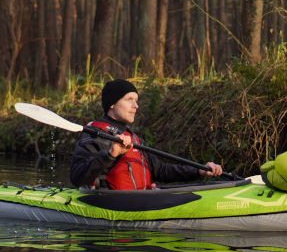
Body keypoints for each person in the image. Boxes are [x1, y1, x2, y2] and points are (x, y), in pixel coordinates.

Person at [70, 78, 224, 189]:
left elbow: (161, 170)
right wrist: (111, 155)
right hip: (108, 203)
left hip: (138, 201)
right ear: (112, 104)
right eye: (129, 99)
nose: (135, 106)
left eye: (136, 100)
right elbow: (78, 178)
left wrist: (199, 170)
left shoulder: (135, 139)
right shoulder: (94, 134)